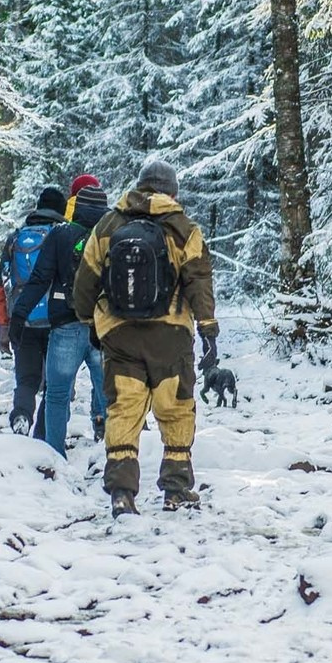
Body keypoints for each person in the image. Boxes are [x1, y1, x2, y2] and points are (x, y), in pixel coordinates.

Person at [71, 159, 218, 515]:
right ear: (172, 191)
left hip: (120, 337)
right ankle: (176, 488)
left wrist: (92, 322)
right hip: (171, 338)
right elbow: (199, 281)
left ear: (139, 186)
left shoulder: (108, 224)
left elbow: (85, 282)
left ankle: (122, 492)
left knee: (124, 410)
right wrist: (208, 329)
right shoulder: (184, 228)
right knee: (176, 410)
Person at [18, 173, 108, 457]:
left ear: (75, 206)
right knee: (110, 397)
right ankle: (114, 455)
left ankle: (54, 456)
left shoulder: (60, 235)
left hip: (65, 326)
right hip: (104, 328)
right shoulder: (112, 235)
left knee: (56, 396)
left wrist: (20, 314)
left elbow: (40, 278)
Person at [0, 186, 67, 435]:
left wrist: (4, 324)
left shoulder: (15, 238)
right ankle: (44, 433)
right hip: (56, 320)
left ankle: (22, 416)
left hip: (22, 319)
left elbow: (0, 284)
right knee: (54, 385)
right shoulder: (61, 235)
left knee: (26, 379)